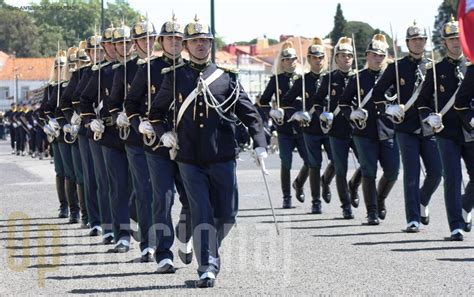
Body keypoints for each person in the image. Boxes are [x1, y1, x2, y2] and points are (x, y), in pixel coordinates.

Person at [148, 16, 267, 288]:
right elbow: (155, 114)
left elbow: (250, 115)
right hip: (189, 158)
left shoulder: (226, 78)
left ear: (211, 44)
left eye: (205, 41)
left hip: (222, 156)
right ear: (187, 45)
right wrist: (163, 131)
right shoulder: (175, 77)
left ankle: (207, 245)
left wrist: (260, 144)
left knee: (227, 214)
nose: (201, 45)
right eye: (195, 41)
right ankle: (207, 266)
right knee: (201, 210)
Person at [132, 16, 193, 269]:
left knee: (191, 198)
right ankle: (163, 253)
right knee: (163, 198)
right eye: (170, 38)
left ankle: (184, 233)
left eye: (179, 39)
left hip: (187, 144)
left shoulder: (192, 69)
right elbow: (131, 103)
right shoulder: (148, 68)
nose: (175, 43)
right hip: (157, 143)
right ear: (161, 41)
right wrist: (139, 123)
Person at [372, 21, 442, 232]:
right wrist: (389, 108)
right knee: (411, 174)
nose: (418, 43)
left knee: (436, 173)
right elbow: (377, 95)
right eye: (414, 40)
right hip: (405, 127)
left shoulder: (433, 67)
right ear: (407, 43)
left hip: (428, 127)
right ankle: (412, 218)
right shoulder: (397, 67)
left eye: (421, 39)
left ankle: (421, 201)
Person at [339, 34, 399, 225]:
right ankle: (371, 212)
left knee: (392, 172)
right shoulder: (358, 78)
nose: (378, 59)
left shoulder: (392, 78)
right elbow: (343, 103)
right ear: (367, 55)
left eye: (381, 56)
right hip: (364, 132)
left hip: (388, 130)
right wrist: (351, 114)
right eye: (374, 55)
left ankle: (380, 198)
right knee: (369, 171)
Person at [420, 17, 470, 241]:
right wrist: (429, 117)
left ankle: (465, 206)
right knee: (452, 177)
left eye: (458, 38)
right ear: (444, 42)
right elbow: (422, 102)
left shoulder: (471, 67)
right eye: (451, 39)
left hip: (470, 130)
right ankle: (456, 226)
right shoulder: (434, 70)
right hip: (446, 131)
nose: (456, 43)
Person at [310, 36, 362, 219]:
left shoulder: (359, 77)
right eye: (342, 55)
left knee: (366, 164)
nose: (346, 58)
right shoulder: (329, 78)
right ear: (336, 58)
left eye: (349, 55)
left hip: (357, 129)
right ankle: (345, 205)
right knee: (340, 168)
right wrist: (322, 114)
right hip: (337, 130)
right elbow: (317, 102)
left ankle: (354, 186)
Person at [281, 37, 335, 214]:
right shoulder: (302, 81)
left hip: (328, 127)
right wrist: (295, 114)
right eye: (314, 57)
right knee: (314, 163)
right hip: (310, 128)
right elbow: (286, 102)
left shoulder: (331, 79)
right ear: (309, 59)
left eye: (320, 58)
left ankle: (325, 182)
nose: (318, 61)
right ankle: (316, 201)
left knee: (336, 161)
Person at [260, 40, 309, 209]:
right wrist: (271, 112)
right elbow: (263, 101)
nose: (290, 62)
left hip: (302, 127)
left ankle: (299, 184)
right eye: (287, 59)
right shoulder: (276, 80)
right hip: (284, 128)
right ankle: (286, 196)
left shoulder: (303, 79)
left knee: (310, 161)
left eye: (293, 59)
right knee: (286, 163)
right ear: (282, 62)